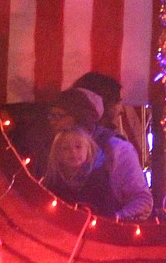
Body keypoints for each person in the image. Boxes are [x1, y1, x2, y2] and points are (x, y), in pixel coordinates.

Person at [40, 87, 153, 221]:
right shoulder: (51, 149)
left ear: (79, 118)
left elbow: (142, 200)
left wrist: (113, 220)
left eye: (58, 116)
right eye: (51, 116)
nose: (52, 121)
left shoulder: (115, 149)